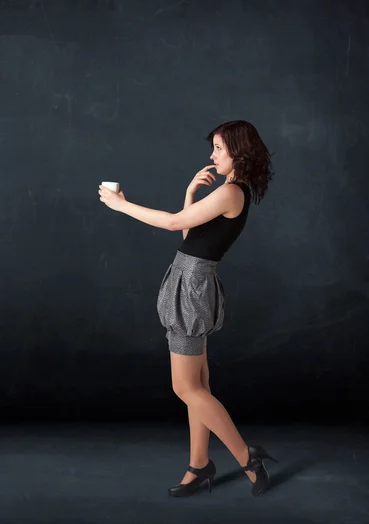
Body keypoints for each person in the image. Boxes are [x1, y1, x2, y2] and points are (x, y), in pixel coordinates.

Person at [98, 119, 277, 498]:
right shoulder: (229, 191)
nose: (212, 156)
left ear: (238, 152)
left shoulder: (232, 193)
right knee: (199, 385)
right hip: (190, 281)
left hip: (191, 287)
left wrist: (121, 205)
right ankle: (199, 466)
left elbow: (173, 225)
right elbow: (191, 236)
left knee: (185, 387)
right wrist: (189, 196)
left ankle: (247, 456)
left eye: (218, 149)